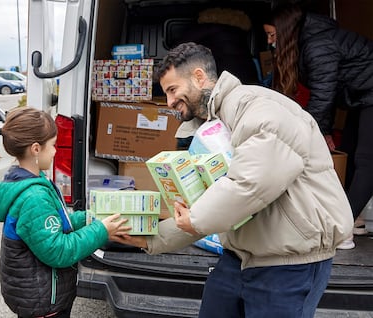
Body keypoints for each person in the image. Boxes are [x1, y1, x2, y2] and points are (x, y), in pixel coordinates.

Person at [111, 42, 353, 317]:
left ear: (199, 77)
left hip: (289, 265)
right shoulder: (211, 128)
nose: (168, 103)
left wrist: (197, 218)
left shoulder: (259, 109)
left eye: (172, 90)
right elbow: (215, 203)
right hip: (240, 257)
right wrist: (152, 239)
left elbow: (249, 184)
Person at [0, 107, 130, 318]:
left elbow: (55, 223)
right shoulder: (34, 197)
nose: (56, 151)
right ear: (36, 149)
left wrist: (88, 218)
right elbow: (59, 251)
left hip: (38, 296)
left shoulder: (28, 182)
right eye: (53, 145)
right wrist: (100, 230)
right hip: (42, 302)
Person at [264, 3, 373, 248]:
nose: (270, 42)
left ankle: (343, 229)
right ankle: (354, 219)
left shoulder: (317, 46)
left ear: (287, 31)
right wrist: (322, 129)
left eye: (272, 35)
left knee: (367, 160)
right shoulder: (311, 42)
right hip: (363, 95)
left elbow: (324, 94)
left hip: (368, 93)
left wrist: (313, 131)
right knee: (349, 150)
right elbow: (328, 90)